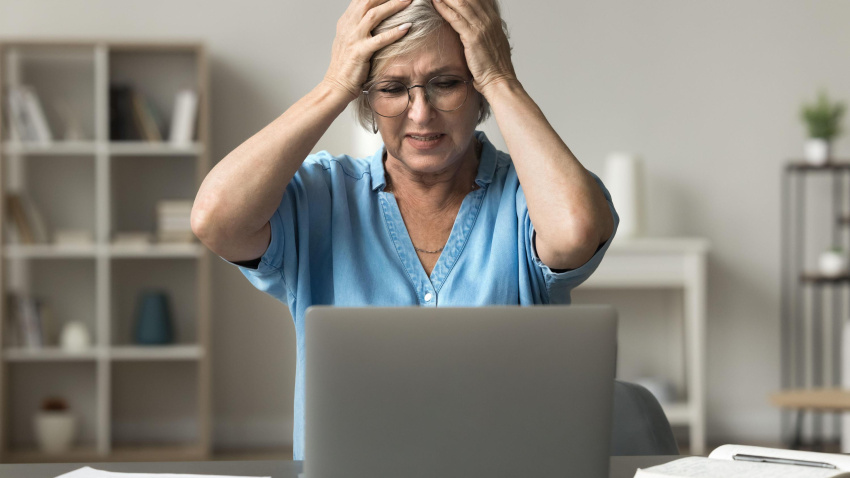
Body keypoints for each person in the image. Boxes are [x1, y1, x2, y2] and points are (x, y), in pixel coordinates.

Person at [191, 0, 618, 460]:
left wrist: (502, 78)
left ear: (478, 90)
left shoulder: (528, 197)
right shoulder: (323, 194)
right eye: (392, 88)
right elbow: (216, 218)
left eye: (447, 83)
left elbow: (575, 231)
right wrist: (334, 85)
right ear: (367, 100)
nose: (420, 114)